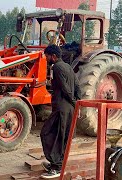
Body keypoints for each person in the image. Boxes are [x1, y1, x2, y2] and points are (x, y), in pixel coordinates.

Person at [40, 44, 81, 179]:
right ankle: (56, 163)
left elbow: (65, 88)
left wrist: (74, 102)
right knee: (61, 137)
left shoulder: (56, 67)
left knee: (48, 133)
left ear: (54, 56)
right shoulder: (69, 67)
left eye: (47, 56)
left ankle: (56, 167)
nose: (46, 59)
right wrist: (77, 103)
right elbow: (77, 86)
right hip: (68, 108)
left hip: (62, 107)